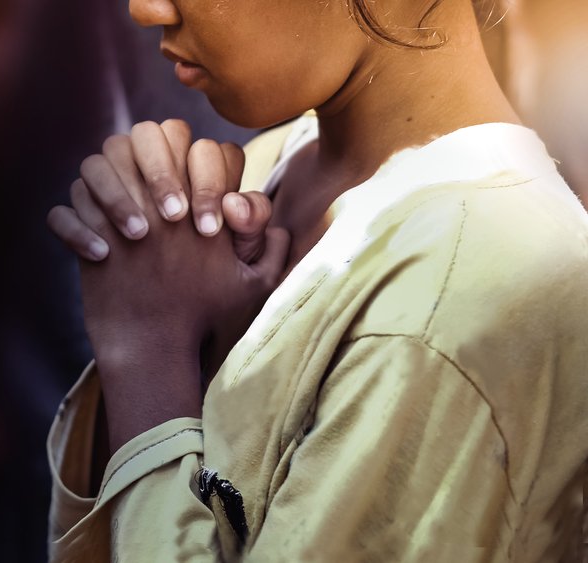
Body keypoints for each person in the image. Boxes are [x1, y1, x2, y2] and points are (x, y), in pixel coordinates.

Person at [46, 0, 588, 560]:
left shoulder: (469, 290)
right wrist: (203, 340)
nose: (144, 10)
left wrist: (146, 349)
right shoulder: (265, 166)